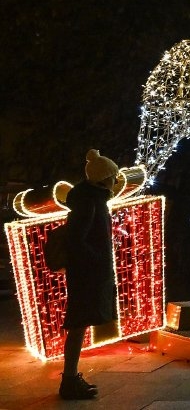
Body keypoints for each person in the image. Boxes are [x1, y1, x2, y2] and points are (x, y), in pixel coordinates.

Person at [59, 149, 119, 400]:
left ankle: (71, 378)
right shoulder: (89, 202)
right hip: (86, 276)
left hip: (86, 273)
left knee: (79, 325)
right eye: (113, 176)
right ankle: (69, 381)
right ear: (104, 178)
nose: (116, 180)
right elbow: (77, 239)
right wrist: (97, 261)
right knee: (77, 325)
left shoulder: (91, 199)